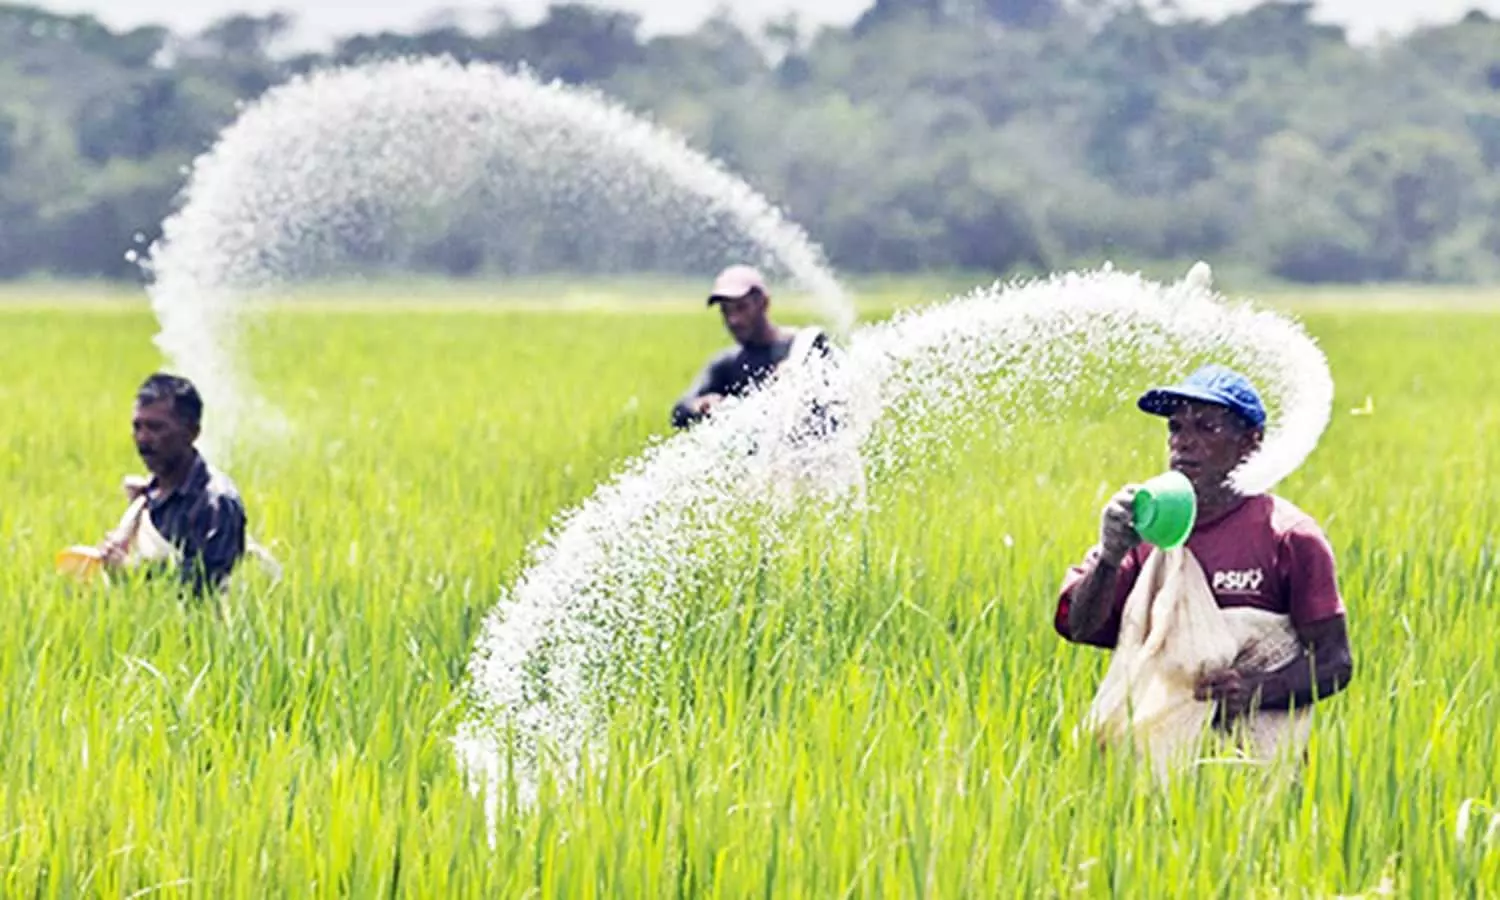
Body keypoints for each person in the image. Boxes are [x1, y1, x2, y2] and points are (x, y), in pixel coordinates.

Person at [1055, 364, 1353, 731]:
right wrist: (1109, 557)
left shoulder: (1289, 537)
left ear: (1250, 443)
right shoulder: (1146, 531)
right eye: (1176, 428)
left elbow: (1334, 661)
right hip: (1152, 759)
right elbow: (1081, 627)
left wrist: (1256, 689)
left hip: (1258, 767)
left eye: (1206, 427)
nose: (1183, 441)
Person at [99, 373, 248, 596]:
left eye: (156, 427)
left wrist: (132, 571)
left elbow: (206, 589)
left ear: (192, 432)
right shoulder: (148, 496)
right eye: (137, 427)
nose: (143, 439)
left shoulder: (216, 503)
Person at [671, 264, 835, 430]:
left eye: (741, 308)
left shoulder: (804, 347)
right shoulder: (728, 365)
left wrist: (798, 379)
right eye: (725, 311)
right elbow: (679, 412)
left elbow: (838, 402)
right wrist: (702, 405)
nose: (733, 320)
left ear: (763, 303)